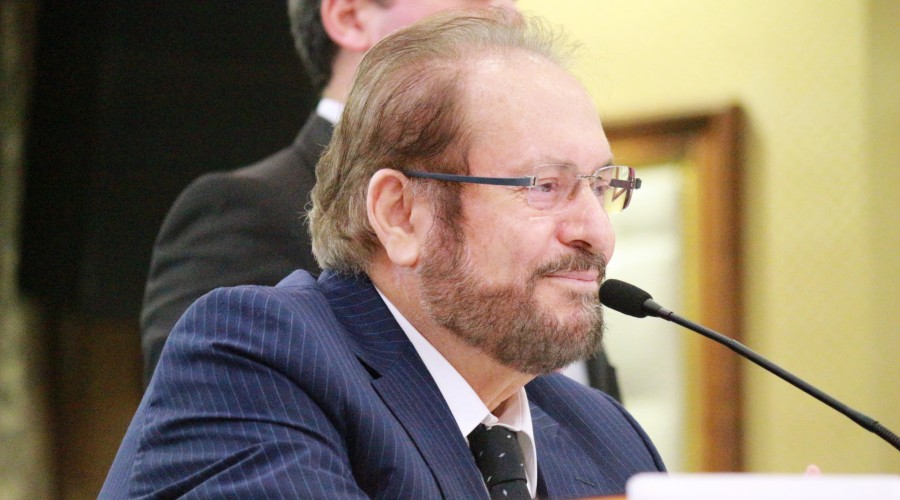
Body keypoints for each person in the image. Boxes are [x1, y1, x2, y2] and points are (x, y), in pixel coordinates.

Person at [103, 11, 663, 498]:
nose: (597, 234)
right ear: (400, 214)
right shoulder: (256, 363)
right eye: (544, 186)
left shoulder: (609, 437)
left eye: (602, 186)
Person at [139, 0, 622, 399]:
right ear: (350, 17)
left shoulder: (565, 235)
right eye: (542, 185)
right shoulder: (243, 207)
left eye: (601, 186)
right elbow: (211, 404)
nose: (505, 10)